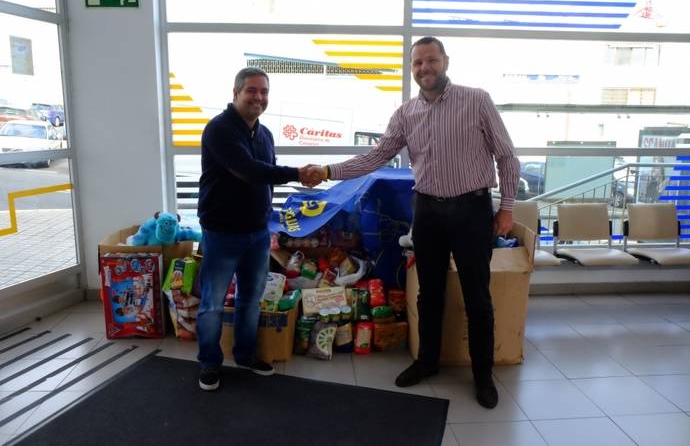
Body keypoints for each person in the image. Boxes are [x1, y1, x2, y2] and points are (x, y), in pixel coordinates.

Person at [307, 37, 519, 409]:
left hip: (471, 211)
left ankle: (483, 375)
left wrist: (507, 210)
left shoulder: (477, 100)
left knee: (478, 297)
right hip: (427, 213)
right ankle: (427, 362)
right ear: (412, 68)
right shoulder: (405, 114)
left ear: (445, 61)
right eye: (417, 63)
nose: (425, 68)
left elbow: (507, 157)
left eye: (431, 60)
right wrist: (327, 170)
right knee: (428, 292)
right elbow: (375, 157)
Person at [196, 67, 316, 391]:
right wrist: (298, 173)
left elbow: (264, 179)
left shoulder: (264, 134)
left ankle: (245, 356)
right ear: (235, 93)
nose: (259, 98)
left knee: (252, 300)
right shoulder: (219, 130)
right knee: (212, 302)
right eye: (252, 91)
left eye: (264, 92)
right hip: (222, 233)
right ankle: (209, 362)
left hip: (257, 233)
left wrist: (268, 219)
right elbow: (249, 171)